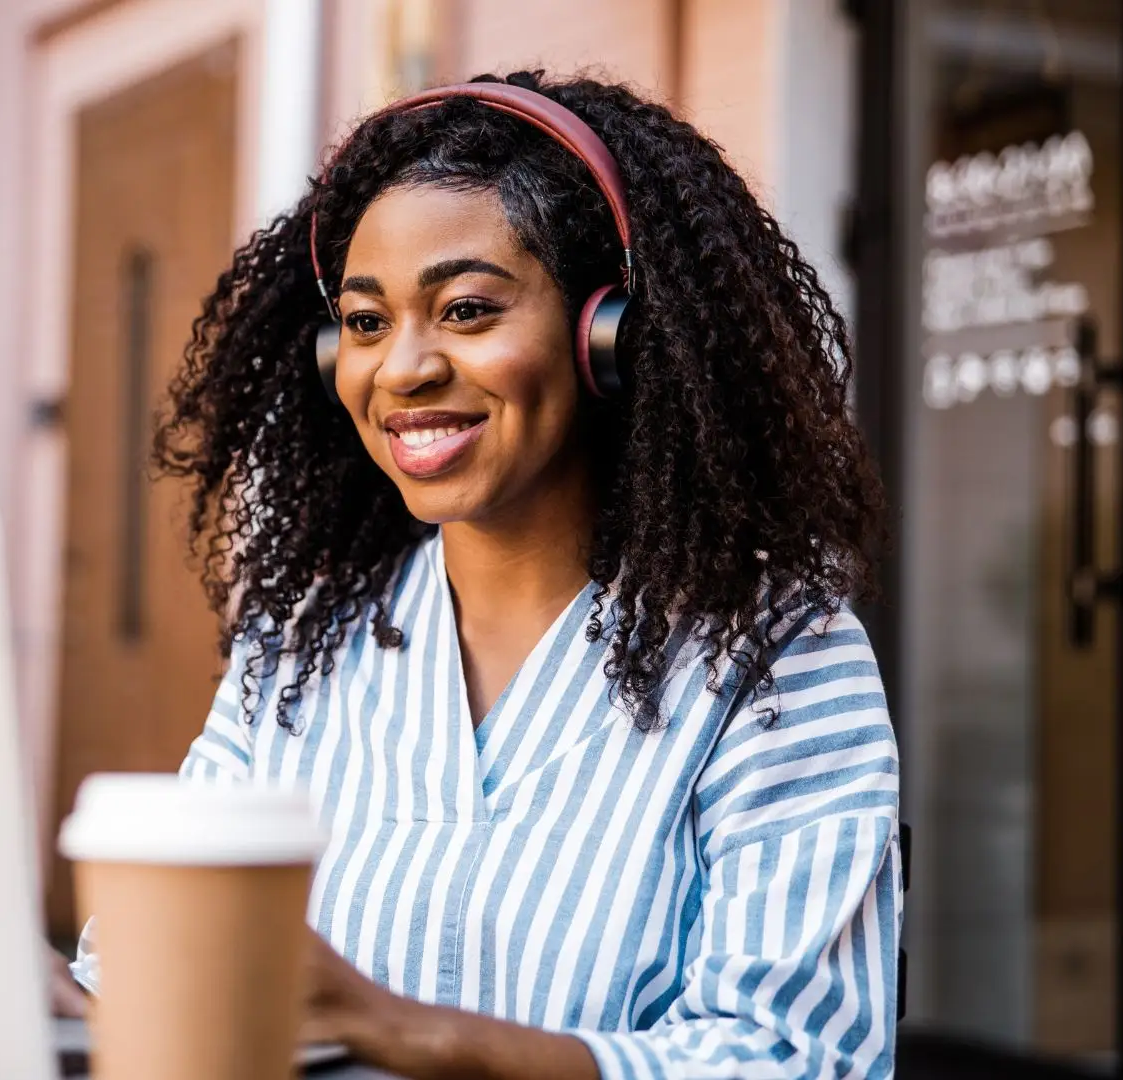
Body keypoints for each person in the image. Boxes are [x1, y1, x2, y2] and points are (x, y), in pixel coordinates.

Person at [58, 70, 900, 1080]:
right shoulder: (299, 653)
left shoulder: (774, 658)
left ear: (609, 337)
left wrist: (417, 1034)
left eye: (465, 310)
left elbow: (797, 1058)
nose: (402, 368)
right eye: (366, 324)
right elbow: (137, 978)